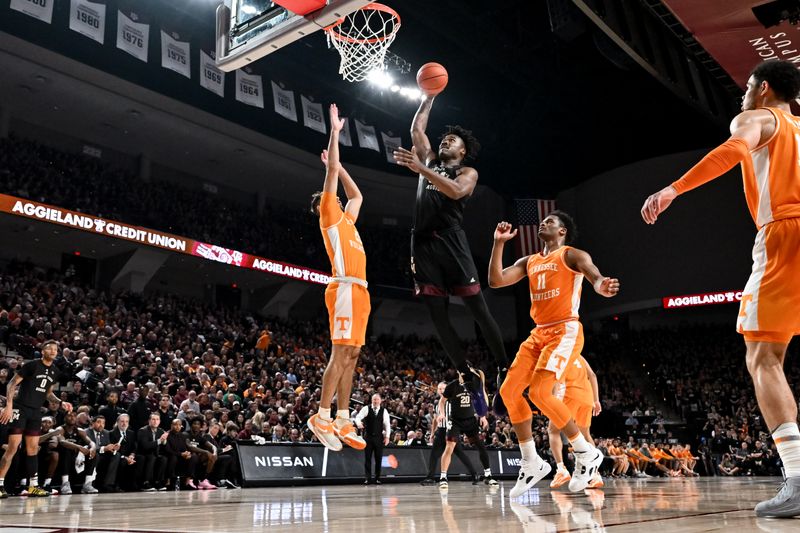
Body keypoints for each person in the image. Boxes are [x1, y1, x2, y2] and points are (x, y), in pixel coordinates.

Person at [641, 59, 800, 518]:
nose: (743, 94)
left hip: (784, 235)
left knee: (763, 356)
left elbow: (732, 149)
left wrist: (674, 189)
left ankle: (796, 475)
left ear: (764, 87)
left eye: (748, 85)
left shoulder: (758, 117)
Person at [393, 95, 509, 414]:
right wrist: (428, 97)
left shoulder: (467, 173)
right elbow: (417, 127)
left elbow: (456, 192)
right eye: (444, 137)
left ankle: (502, 368)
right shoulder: (428, 159)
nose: (446, 140)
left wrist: (420, 169)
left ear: (462, 151)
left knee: (478, 310)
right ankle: (466, 373)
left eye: (452, 140)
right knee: (437, 316)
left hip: (452, 242)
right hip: (423, 245)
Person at [489, 213, 619, 496]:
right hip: (538, 333)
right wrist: (498, 244)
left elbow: (594, 275)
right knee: (509, 393)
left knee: (539, 393)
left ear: (562, 231)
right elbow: (496, 281)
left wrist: (601, 286)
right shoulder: (530, 261)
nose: (543, 223)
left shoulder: (572, 254)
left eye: (550, 221)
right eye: (543, 221)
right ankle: (531, 461)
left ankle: (585, 453)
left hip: (565, 330)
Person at [306, 103, 369, 453]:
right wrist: (334, 135)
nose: (336, 198)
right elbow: (330, 173)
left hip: (361, 290)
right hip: (343, 286)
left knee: (355, 352)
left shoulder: (349, 219)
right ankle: (322, 414)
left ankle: (343, 417)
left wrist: (342, 168)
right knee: (340, 350)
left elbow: (358, 195)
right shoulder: (329, 215)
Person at [0, 340, 72, 498]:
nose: (53, 351)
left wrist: (60, 402)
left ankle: (33, 486)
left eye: (56, 349)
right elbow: (12, 383)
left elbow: (48, 393)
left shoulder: (55, 371)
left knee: (32, 449)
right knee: (12, 448)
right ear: (43, 350)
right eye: (50, 348)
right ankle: (0, 484)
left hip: (35, 412)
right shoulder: (32, 365)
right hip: (21, 408)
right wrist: (9, 405)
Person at [548, 355, 604, 489]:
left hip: (569, 395)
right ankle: (595, 474)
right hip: (587, 397)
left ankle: (561, 469)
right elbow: (593, 375)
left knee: (553, 430)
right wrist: (596, 400)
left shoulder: (557, 353)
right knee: (585, 434)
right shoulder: (578, 355)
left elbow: (556, 380)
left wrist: (554, 400)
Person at [437, 372, 497, 490]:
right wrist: (442, 414)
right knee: (449, 447)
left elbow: (481, 400)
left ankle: (488, 475)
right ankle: (443, 477)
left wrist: (483, 416)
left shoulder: (473, 385)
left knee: (480, 446)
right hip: (455, 421)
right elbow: (442, 401)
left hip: (470, 421)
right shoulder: (452, 386)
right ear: (460, 373)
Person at [420, 382, 478, 486]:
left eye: (443, 388)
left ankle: (475, 475)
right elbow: (435, 419)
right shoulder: (437, 402)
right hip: (441, 431)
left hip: (451, 430)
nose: (441, 390)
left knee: (460, 453)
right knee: (434, 454)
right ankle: (430, 478)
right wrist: (433, 433)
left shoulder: (453, 400)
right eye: (439, 389)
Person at [354, 393, 390, 484]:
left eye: (377, 399)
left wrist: (387, 437)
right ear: (371, 400)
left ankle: (377, 478)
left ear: (380, 401)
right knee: (368, 458)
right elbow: (357, 417)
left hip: (379, 438)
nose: (375, 401)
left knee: (379, 459)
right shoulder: (366, 408)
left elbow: (387, 425)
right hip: (368, 437)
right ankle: (367, 478)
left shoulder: (384, 411)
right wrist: (358, 423)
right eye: (374, 399)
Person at [136, 412, 168, 491]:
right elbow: (145, 446)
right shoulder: (143, 431)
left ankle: (157, 482)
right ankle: (146, 482)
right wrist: (160, 441)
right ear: (149, 421)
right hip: (143, 453)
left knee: (163, 459)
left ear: (159, 421)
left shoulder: (161, 431)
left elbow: (164, 446)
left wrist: (164, 441)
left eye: (157, 419)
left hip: (155, 454)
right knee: (151, 457)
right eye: (153, 419)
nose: (155, 421)